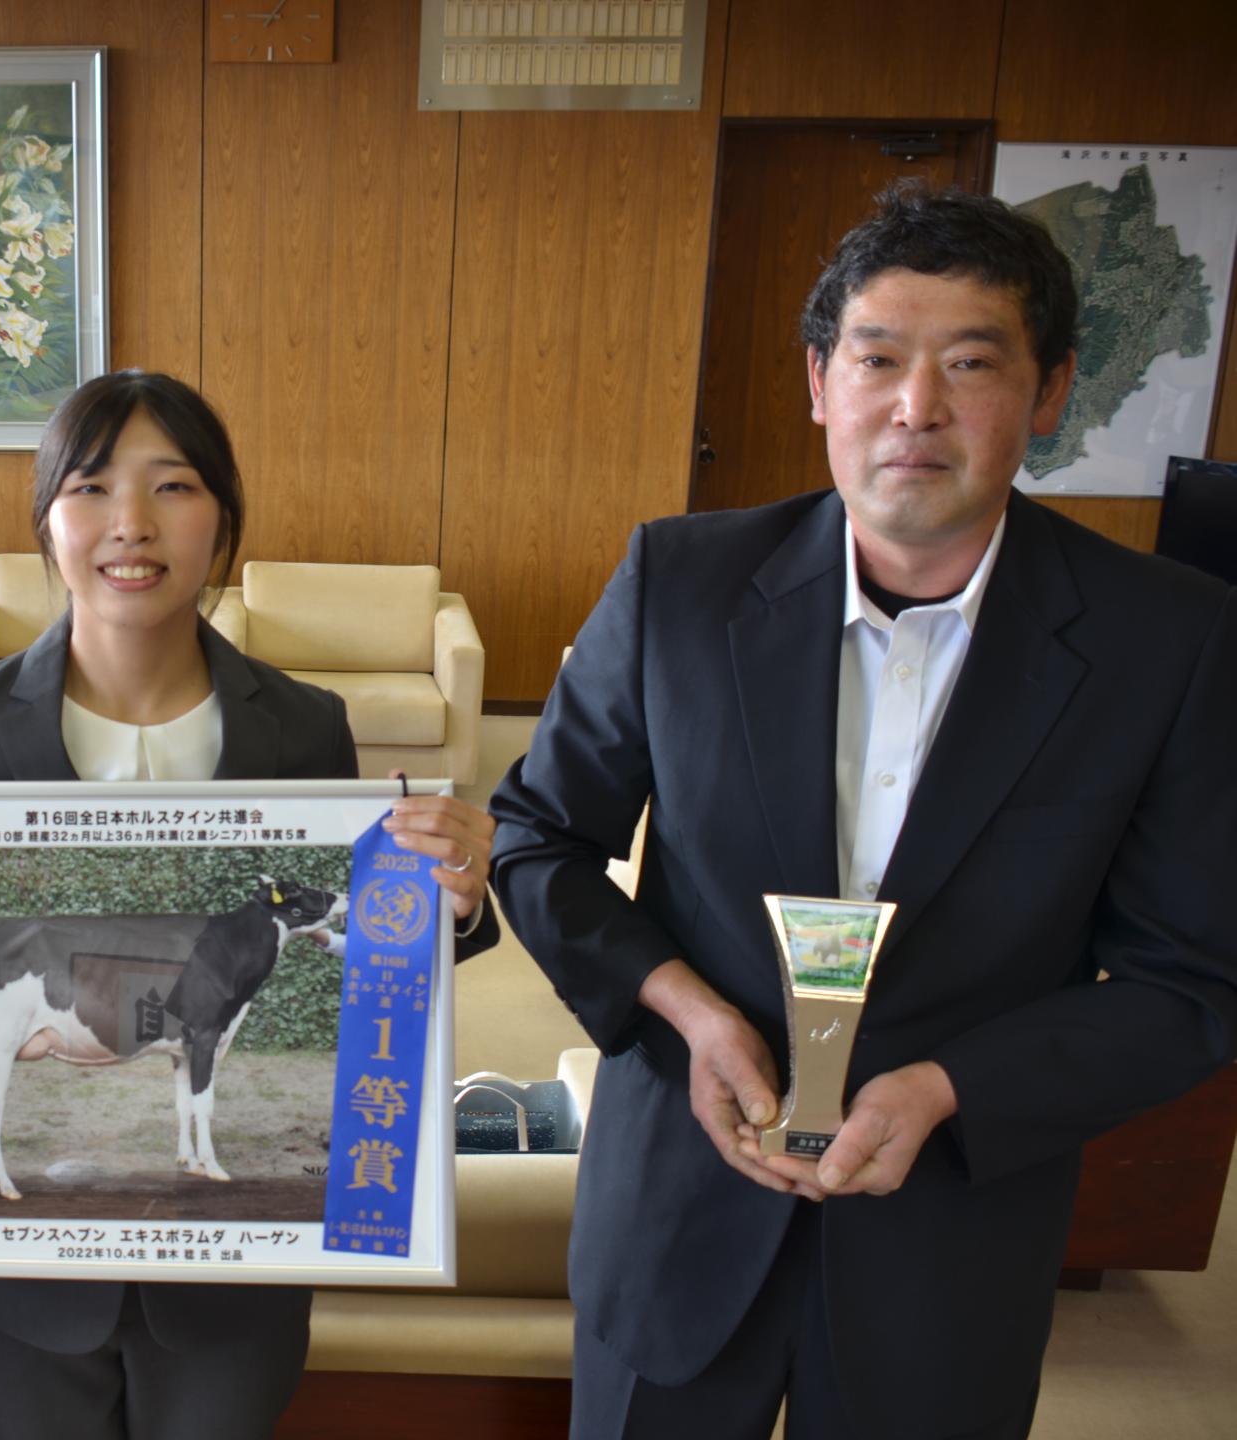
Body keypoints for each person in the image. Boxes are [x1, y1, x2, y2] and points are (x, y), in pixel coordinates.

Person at [489, 181, 1237, 1439]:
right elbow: (537, 838)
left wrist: (946, 1086)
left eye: (969, 364)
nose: (914, 408)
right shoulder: (679, 583)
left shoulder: (1165, 641)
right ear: (817, 381)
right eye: (877, 358)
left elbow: (1192, 979)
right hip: (677, 1201)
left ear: (1048, 392)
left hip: (948, 1237)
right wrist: (682, 1006)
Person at [0, 369, 502, 1439]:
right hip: (20, 1284)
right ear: (46, 521)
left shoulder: (303, 728)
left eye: (172, 487)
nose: (128, 524)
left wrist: (449, 898)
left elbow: (385, 952)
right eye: (89, 488)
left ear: (223, 526)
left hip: (231, 1291)